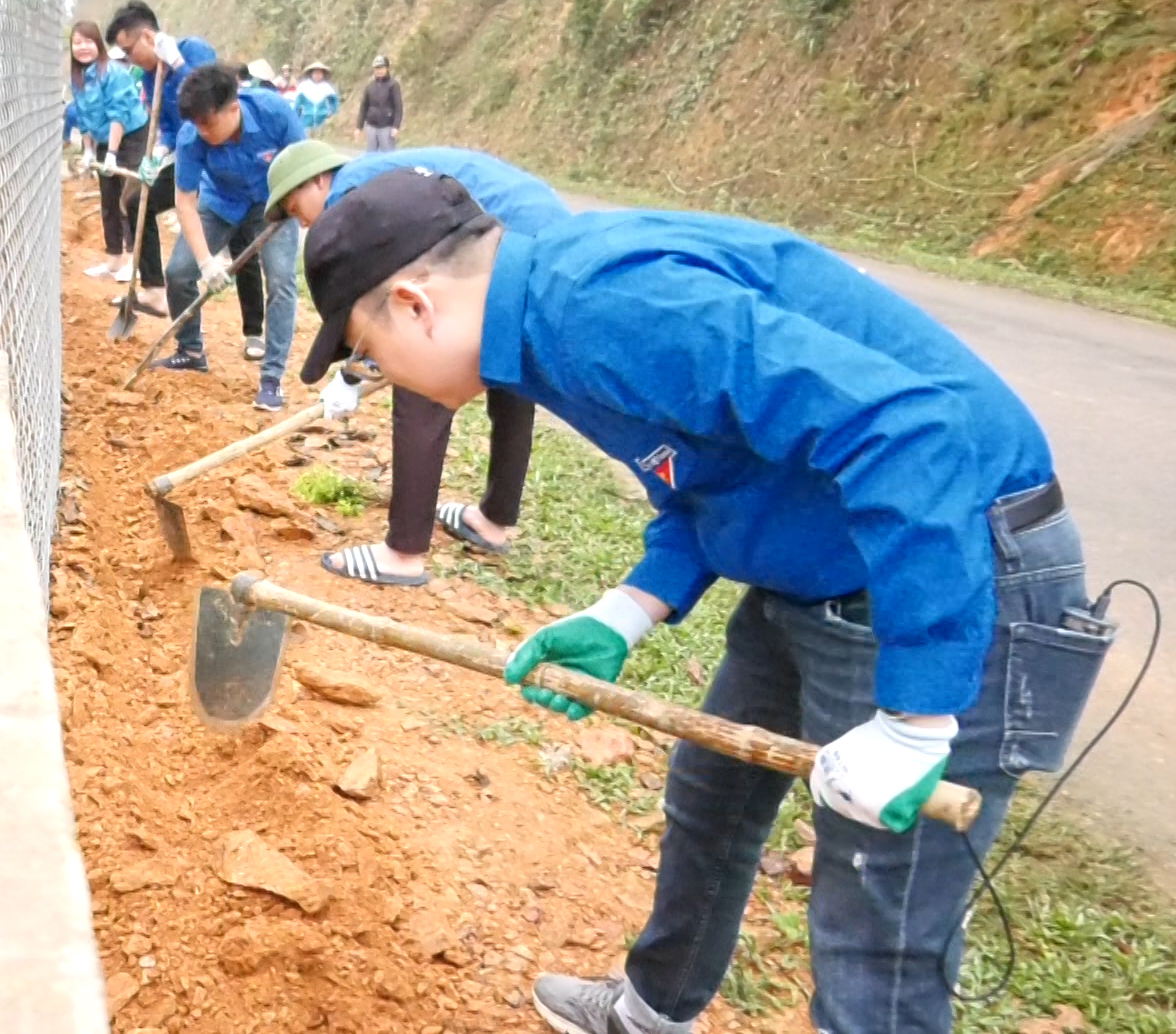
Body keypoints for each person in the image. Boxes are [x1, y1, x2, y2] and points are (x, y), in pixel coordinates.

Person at [296, 169, 1110, 1034]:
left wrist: (917, 718)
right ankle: (650, 1012)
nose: (383, 377)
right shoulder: (543, 328)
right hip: (818, 567)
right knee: (712, 798)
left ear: (417, 306)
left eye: (368, 354)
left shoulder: (603, 307)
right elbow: (709, 472)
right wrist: (629, 609)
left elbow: (912, 433)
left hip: (940, 571)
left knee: (881, 926)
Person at [265, 139, 565, 586]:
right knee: (507, 372)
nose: (304, 222)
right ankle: (494, 520)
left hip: (510, 239)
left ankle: (402, 553)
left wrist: (353, 373)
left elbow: (395, 309)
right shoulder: (381, 175)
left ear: (320, 180)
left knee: (420, 379)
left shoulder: (353, 196)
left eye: (296, 207)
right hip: (547, 237)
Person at [103, 0, 266, 340]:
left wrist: (176, 64)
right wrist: (160, 153)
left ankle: (254, 331)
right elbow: (167, 126)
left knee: (241, 238)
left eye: (129, 50)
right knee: (135, 202)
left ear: (147, 37)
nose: (129, 59)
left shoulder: (194, 49)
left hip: (221, 154)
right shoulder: (150, 78)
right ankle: (154, 290)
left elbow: (209, 98)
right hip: (188, 155)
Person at [152, 64, 306, 412]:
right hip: (221, 202)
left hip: (276, 203)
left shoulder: (274, 113)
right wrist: (206, 262)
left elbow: (305, 168)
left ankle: (272, 377)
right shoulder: (192, 137)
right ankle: (191, 350)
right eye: (196, 124)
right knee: (179, 272)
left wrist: (289, 207)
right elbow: (186, 203)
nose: (202, 132)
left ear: (233, 109)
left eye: (208, 123)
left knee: (281, 279)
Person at [68, 20, 149, 283]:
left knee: (128, 198)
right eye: (77, 43)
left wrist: (112, 154)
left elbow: (119, 114)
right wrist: (90, 150)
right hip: (104, 139)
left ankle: (132, 260)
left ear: (98, 44)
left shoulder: (112, 72)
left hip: (130, 135)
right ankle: (113, 259)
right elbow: (84, 116)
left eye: (88, 41)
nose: (83, 48)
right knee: (108, 199)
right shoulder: (78, 78)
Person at [357, 55, 403, 152]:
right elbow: (364, 107)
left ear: (387, 68)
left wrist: (396, 126)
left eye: (381, 68)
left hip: (387, 127)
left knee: (388, 156)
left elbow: (398, 107)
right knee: (371, 155)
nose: (379, 71)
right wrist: (359, 127)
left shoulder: (393, 85)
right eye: (376, 68)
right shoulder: (370, 86)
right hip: (371, 126)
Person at [293, 63, 339, 137]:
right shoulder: (304, 86)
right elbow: (298, 103)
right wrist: (296, 116)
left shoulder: (326, 87)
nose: (317, 75)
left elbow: (334, 101)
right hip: (306, 118)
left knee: (319, 142)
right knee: (306, 140)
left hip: (321, 118)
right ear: (311, 74)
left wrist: (331, 111)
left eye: (320, 73)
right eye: (315, 73)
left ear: (323, 74)